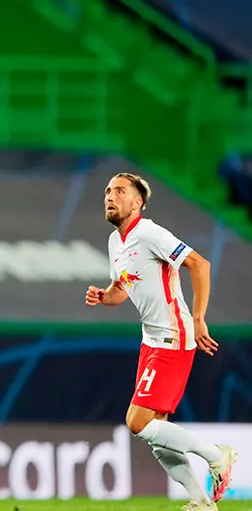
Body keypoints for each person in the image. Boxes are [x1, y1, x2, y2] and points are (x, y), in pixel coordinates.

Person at [86, 173, 238, 511]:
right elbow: (120, 289)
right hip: (151, 340)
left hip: (174, 336)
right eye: (108, 190)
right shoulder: (116, 242)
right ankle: (201, 502)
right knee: (157, 434)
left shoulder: (149, 233)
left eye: (120, 191)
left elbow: (200, 264)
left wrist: (198, 319)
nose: (110, 196)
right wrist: (103, 296)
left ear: (137, 201)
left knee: (137, 422)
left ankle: (217, 455)